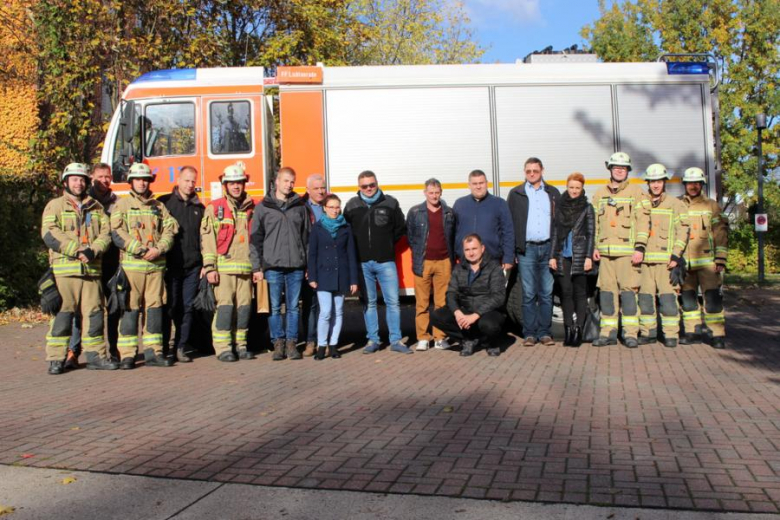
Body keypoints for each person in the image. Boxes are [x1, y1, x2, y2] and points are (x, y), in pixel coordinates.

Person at [41, 163, 119, 374]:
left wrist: (93, 250)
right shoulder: (55, 206)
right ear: (66, 182)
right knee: (62, 317)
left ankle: (96, 357)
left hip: (92, 271)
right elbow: (49, 233)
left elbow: (106, 233)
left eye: (82, 179)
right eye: (75, 179)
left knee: (94, 316)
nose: (79, 183)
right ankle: (56, 359)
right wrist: (76, 250)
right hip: (65, 272)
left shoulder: (96, 207)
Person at [111, 162, 178, 368]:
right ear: (131, 181)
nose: (142, 183)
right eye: (138, 179)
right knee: (130, 310)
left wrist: (159, 249)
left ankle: (154, 353)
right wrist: (139, 249)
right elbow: (116, 232)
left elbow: (170, 229)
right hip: (132, 269)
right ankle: (128, 355)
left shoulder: (159, 207)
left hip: (155, 269)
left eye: (145, 179)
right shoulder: (121, 205)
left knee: (155, 311)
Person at [344, 171, 408, 354]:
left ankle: (396, 340)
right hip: (363, 263)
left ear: (377, 183)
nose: (369, 188)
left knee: (393, 302)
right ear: (359, 187)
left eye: (372, 184)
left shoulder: (391, 202)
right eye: (364, 186)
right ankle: (373, 340)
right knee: (369, 303)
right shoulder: (351, 205)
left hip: (386, 261)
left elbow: (400, 228)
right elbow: (347, 232)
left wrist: (386, 244)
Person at [591, 152, 651, 348]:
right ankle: (607, 333)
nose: (619, 170)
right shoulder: (600, 194)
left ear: (627, 171)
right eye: (616, 167)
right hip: (606, 255)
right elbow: (594, 224)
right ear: (610, 169)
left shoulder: (637, 192)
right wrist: (594, 247)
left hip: (627, 254)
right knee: (607, 294)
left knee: (628, 295)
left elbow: (643, 222)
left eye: (623, 167)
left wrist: (640, 248)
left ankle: (630, 333)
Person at [250, 167, 310, 361]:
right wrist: (257, 268)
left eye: (292, 181)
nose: (289, 185)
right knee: (274, 307)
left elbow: (307, 238)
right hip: (272, 266)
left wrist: (307, 264)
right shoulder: (263, 207)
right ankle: (278, 343)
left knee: (293, 307)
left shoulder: (300, 206)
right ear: (277, 182)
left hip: (296, 266)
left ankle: (292, 343)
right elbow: (255, 240)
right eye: (285, 181)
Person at [65, 162, 120, 368]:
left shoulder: (118, 202)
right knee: (81, 310)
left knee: (113, 308)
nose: (104, 180)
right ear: (92, 178)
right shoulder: (84, 201)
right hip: (87, 263)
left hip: (111, 263)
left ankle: (113, 350)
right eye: (100, 177)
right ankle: (74, 351)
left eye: (107, 176)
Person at [201, 162, 256, 362]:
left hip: (246, 269)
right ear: (225, 185)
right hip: (223, 269)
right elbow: (207, 240)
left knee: (244, 309)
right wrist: (209, 268)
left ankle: (240, 345)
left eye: (239, 183)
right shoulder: (215, 208)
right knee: (225, 309)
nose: (236, 186)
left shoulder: (252, 208)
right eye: (232, 183)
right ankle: (223, 348)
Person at [507, 157, 561, 346]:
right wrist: (512, 250)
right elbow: (510, 225)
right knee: (529, 293)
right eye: (528, 171)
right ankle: (529, 333)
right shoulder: (516, 194)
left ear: (542, 171)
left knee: (546, 292)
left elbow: (558, 225)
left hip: (548, 248)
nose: (531, 174)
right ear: (524, 172)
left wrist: (556, 251)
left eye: (535, 171)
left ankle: (545, 333)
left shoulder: (553, 193)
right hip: (526, 249)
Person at [636, 164, 690, 348]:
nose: (656, 185)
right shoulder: (641, 202)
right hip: (644, 263)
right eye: (652, 181)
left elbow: (683, 231)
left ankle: (671, 335)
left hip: (666, 262)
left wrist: (676, 256)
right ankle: (648, 333)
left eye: (659, 181)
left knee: (668, 300)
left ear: (664, 182)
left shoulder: (676, 204)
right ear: (648, 183)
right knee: (645, 300)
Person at [430, 234, 507, 357]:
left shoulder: (494, 267)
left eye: (474, 249)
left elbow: (498, 297)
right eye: (467, 249)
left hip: (488, 311)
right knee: (436, 316)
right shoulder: (459, 268)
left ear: (482, 248)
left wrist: (475, 315)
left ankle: (491, 342)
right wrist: (457, 312)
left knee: (489, 326)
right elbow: (451, 293)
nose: (471, 253)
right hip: (466, 308)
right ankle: (468, 339)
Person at [679, 167, 728, 349]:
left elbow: (720, 233)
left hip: (707, 263)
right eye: (690, 183)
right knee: (688, 299)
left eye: (697, 183)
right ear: (685, 184)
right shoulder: (678, 205)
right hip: (685, 263)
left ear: (702, 185)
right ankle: (692, 332)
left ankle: (717, 334)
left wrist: (720, 258)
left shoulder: (711, 206)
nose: (693, 186)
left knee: (712, 299)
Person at [159, 166, 205, 362]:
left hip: (193, 266)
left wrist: (204, 263)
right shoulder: (164, 203)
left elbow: (204, 237)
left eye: (193, 181)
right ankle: (162, 348)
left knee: (187, 308)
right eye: (186, 180)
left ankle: (180, 347)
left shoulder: (199, 207)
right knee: (169, 307)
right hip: (170, 265)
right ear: (178, 180)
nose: (190, 185)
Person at [307, 194, 359, 360]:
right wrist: (312, 277)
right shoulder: (317, 227)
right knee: (326, 312)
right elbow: (312, 254)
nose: (335, 210)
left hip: (341, 275)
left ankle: (334, 345)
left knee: (338, 312)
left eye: (337, 207)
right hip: (323, 275)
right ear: (324, 208)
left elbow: (351, 254)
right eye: (331, 207)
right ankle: (321, 346)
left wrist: (353, 280)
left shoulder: (346, 227)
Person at [406, 178, 455, 351]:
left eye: (437, 192)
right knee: (422, 303)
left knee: (441, 303)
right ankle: (423, 338)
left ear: (441, 192)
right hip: (423, 262)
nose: (434, 196)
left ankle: (440, 338)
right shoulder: (415, 212)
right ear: (425, 193)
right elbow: (411, 237)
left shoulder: (449, 213)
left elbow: (453, 237)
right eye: (431, 192)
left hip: (444, 262)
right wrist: (420, 254)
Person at [548, 172, 595, 347]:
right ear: (566, 187)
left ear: (582, 189)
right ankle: (568, 330)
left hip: (580, 255)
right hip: (562, 255)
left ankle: (579, 331)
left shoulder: (587, 208)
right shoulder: (559, 206)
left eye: (577, 188)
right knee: (566, 292)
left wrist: (588, 256)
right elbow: (554, 232)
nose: (574, 191)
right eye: (571, 187)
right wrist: (552, 255)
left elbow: (591, 234)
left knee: (580, 293)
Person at [453, 170, 514, 271]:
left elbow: (508, 232)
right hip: (465, 261)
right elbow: (453, 232)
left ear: (487, 183)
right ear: (469, 185)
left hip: (492, 260)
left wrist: (508, 257)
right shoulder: (460, 204)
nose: (478, 186)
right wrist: (454, 255)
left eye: (481, 183)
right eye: (475, 184)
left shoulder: (499, 204)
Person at [301, 173, 328, 357]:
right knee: (310, 305)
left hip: (326, 264)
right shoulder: (302, 208)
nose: (320, 191)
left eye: (322, 188)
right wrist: (305, 265)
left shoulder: (330, 207)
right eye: (316, 188)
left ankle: (323, 341)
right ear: (308, 190)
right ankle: (310, 341)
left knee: (324, 305)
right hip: (309, 263)